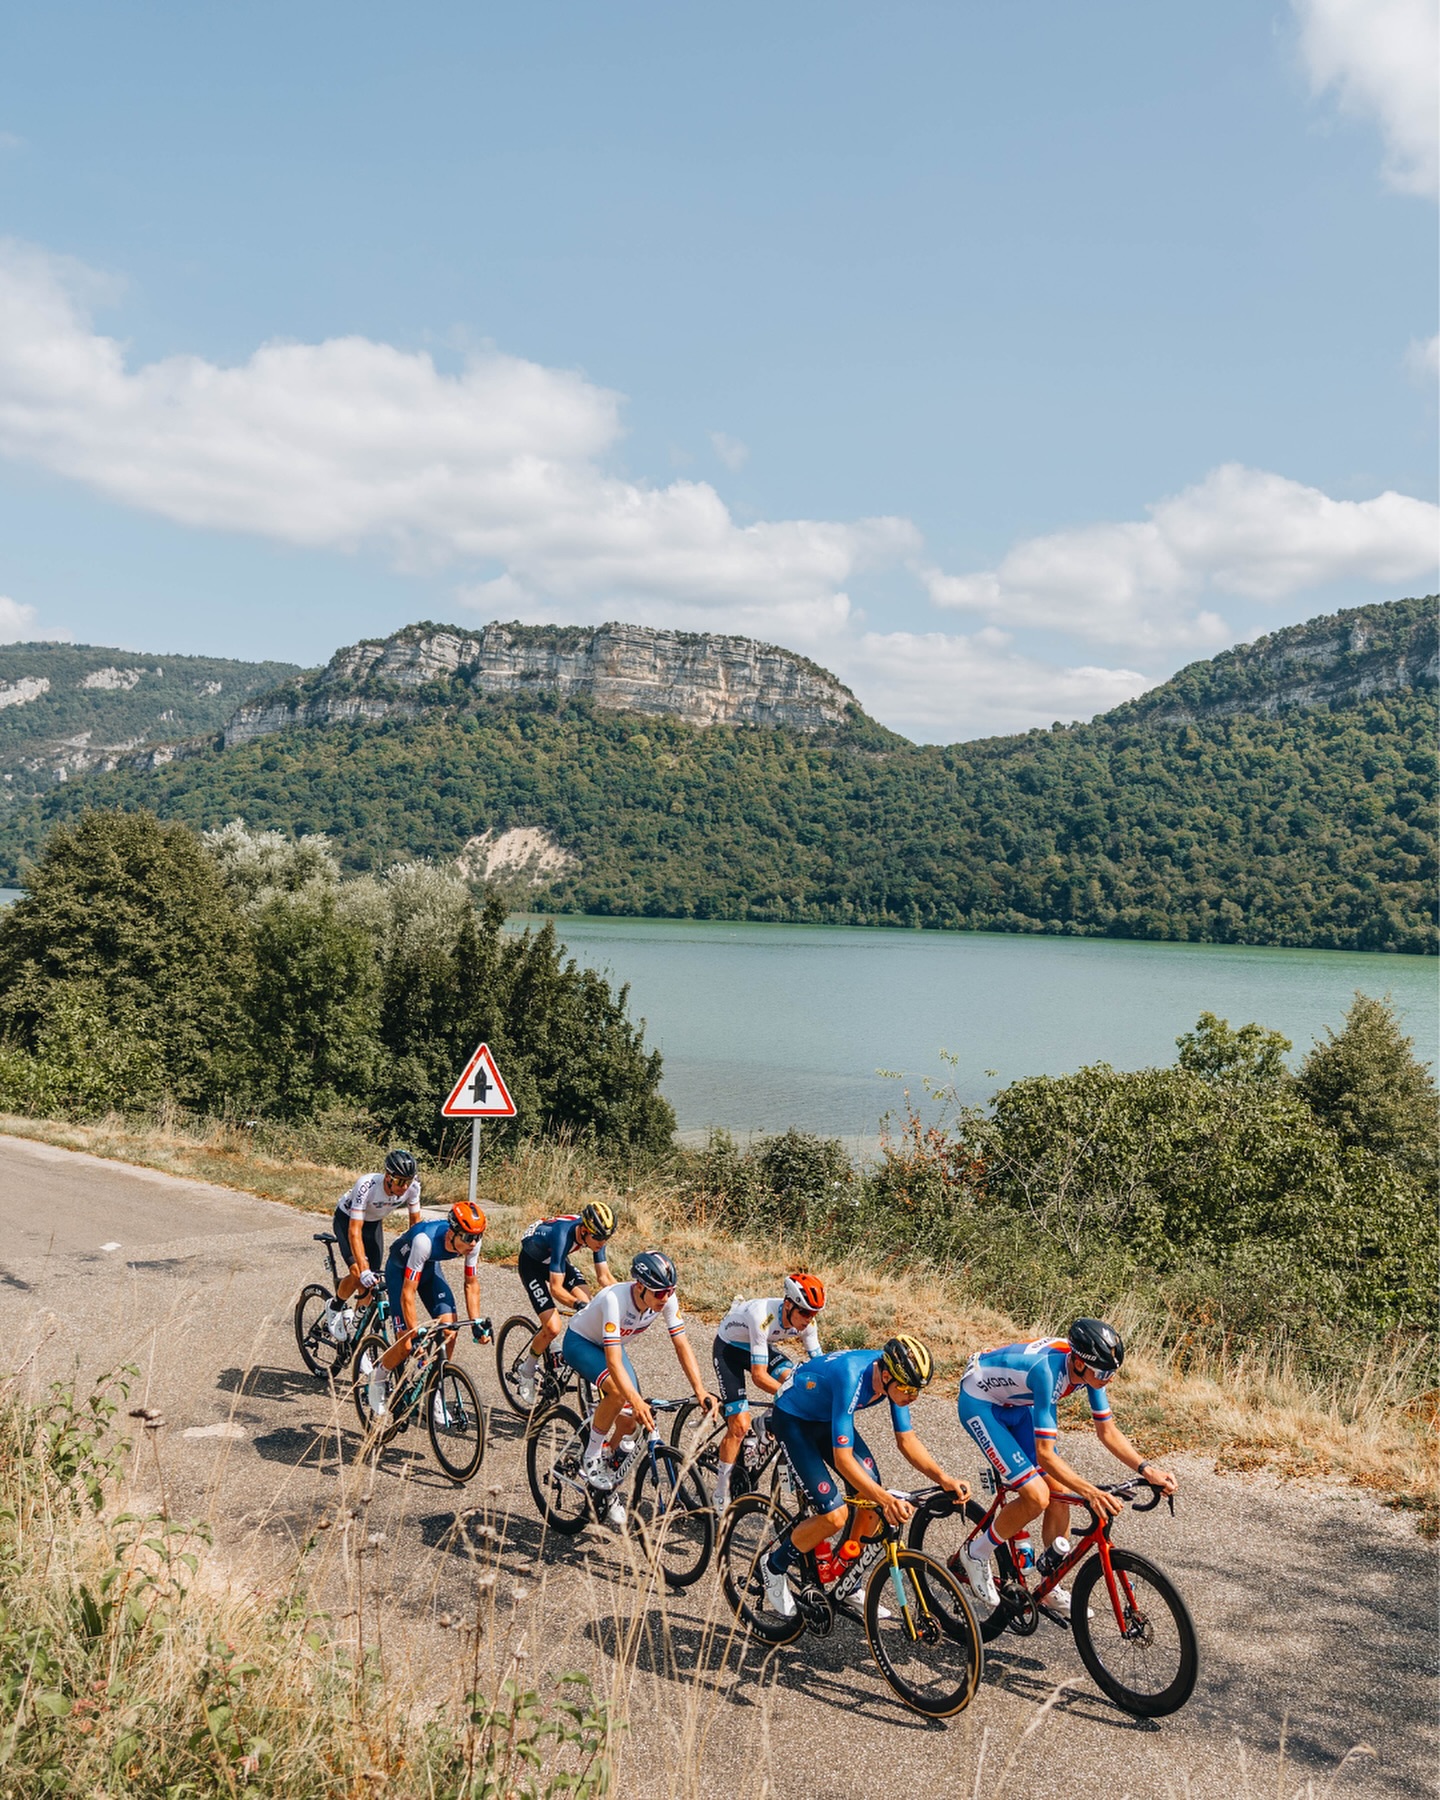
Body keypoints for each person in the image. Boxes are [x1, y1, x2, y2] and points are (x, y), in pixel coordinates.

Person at [955, 1319, 1177, 1615]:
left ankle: (1049, 1586)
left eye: (1112, 1372)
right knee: (1036, 1496)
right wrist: (1090, 1492)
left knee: (1058, 1490)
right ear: (1080, 1363)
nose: (1107, 1379)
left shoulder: (1090, 1371)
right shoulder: (1048, 1373)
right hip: (980, 1403)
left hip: (1016, 1403)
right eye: (1103, 1372)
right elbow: (1046, 1455)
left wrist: (1146, 1469)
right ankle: (975, 1553)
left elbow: (1107, 1431)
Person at [761, 1335, 969, 1622]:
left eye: (918, 1391)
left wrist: (943, 1477)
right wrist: (885, 1499)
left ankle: (848, 1581)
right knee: (835, 1516)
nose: (912, 1397)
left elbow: (907, 1441)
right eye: (908, 1389)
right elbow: (842, 1460)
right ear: (885, 1376)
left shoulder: (896, 1377)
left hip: (824, 1417)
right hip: (794, 1419)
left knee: (870, 1502)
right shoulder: (852, 1377)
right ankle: (773, 1567)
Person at [560, 1249, 719, 1518]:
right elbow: (612, 1362)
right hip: (582, 1342)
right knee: (620, 1394)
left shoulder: (665, 1298)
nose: (665, 1298)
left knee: (632, 1422)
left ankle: (606, 1486)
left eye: (670, 1290)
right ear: (640, 1286)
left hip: (612, 1345)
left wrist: (700, 1390)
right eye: (659, 1293)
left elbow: (681, 1344)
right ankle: (591, 1454)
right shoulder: (615, 1299)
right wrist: (633, 1398)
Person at [710, 1273, 826, 1510]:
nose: (808, 1319)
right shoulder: (763, 1316)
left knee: (795, 1379)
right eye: (804, 1312)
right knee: (740, 1425)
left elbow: (821, 1367)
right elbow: (759, 1376)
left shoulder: (807, 1324)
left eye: (813, 1314)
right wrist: (796, 1396)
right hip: (729, 1350)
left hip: (759, 1346)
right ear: (787, 1305)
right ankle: (721, 1491)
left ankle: (765, 1424)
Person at [367, 1201, 489, 1419]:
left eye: (478, 1237)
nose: (473, 1243)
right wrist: (415, 1334)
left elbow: (471, 1283)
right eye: (469, 1237)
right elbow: (408, 1292)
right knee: (405, 1344)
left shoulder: (472, 1242)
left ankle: (434, 1391)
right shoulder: (424, 1241)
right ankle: (378, 1376)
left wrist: (476, 1322)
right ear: (453, 1232)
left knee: (450, 1329)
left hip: (429, 1270)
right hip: (400, 1271)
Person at [513, 1201, 618, 1405]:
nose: (602, 1243)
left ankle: (571, 1354)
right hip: (532, 1265)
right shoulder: (562, 1234)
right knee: (553, 1327)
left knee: (590, 1304)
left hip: (555, 1261)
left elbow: (604, 1277)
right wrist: (578, 1305)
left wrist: (629, 1296)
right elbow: (556, 1289)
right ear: (585, 1230)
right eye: (598, 1238)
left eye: (607, 1238)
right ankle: (526, 1370)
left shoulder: (595, 1235)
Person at [322, 1149, 421, 1338]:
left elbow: (415, 1227)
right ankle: (334, 1306)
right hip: (347, 1221)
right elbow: (354, 1230)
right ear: (388, 1176)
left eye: (408, 1182)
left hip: (374, 1224)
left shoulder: (413, 1187)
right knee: (359, 1273)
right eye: (400, 1181)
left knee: (371, 1285)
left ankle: (354, 1335)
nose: (404, 1187)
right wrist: (364, 1267)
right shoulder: (366, 1185)